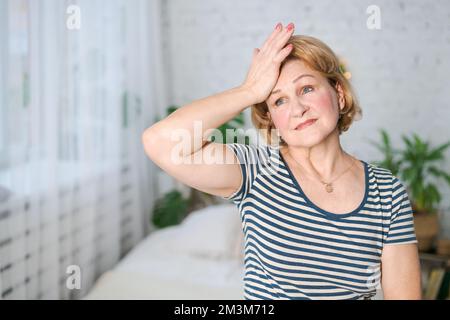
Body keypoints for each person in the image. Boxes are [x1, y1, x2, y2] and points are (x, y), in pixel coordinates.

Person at [142, 22, 421, 300]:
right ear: (272, 118)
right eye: (279, 101)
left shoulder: (387, 191)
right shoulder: (256, 170)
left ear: (338, 93)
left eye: (307, 89)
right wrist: (249, 91)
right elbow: (160, 143)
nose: (298, 109)